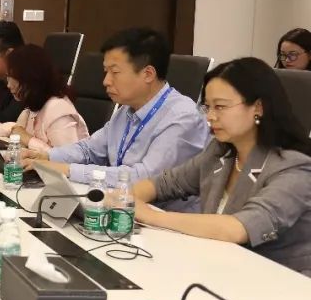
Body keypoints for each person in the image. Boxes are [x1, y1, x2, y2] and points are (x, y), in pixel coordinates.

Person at [133, 57, 311, 276]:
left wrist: (151, 216)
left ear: (258, 107)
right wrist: (127, 199)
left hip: (281, 281)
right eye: (207, 107)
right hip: (221, 269)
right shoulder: (221, 151)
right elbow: (166, 183)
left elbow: (239, 228)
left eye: (220, 107)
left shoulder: (295, 167)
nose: (210, 117)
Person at [23, 28, 210, 205]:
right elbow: (90, 150)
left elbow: (144, 178)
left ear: (148, 74)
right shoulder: (126, 110)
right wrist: (47, 156)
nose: (106, 81)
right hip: (120, 205)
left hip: (162, 218)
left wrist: (68, 170)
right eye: (106, 72)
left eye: (115, 72)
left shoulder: (182, 118)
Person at [0, 44, 88, 153]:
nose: (9, 85)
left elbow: (66, 159)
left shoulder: (58, 110)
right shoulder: (33, 106)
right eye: (8, 77)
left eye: (13, 77)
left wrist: (28, 139)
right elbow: (14, 128)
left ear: (31, 78)